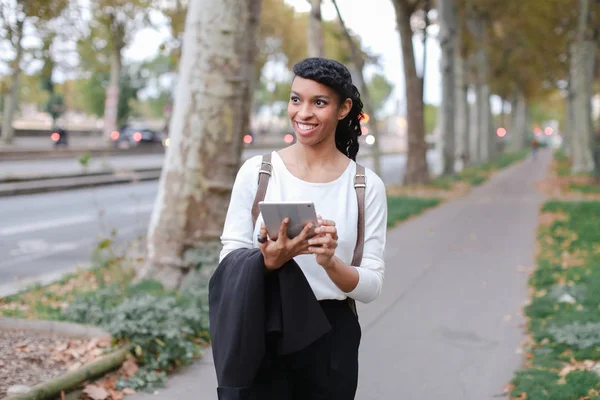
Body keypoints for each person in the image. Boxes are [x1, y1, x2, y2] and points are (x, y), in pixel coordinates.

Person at [214, 57, 388, 399]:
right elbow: (229, 259)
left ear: (344, 108)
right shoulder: (258, 172)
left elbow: (372, 285)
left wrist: (331, 262)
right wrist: (269, 260)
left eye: (318, 102)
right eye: (296, 99)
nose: (303, 113)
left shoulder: (364, 185)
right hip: (262, 328)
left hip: (331, 339)